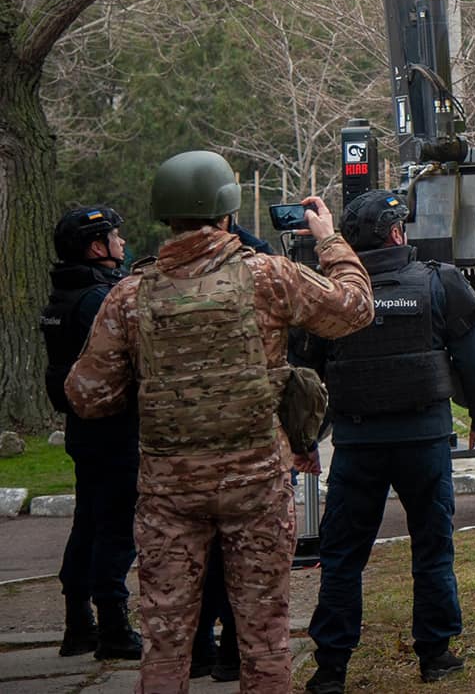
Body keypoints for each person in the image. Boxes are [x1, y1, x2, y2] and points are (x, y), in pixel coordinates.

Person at [65, 152, 374, 694]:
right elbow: (355, 308)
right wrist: (329, 239)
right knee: (264, 639)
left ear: (166, 216)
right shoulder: (269, 278)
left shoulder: (130, 295)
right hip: (255, 484)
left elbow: (86, 396)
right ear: (229, 212)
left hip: (168, 493)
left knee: (165, 644)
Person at [300, 189, 475, 692]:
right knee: (432, 549)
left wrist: (305, 439)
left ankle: (330, 671)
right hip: (424, 441)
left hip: (358, 446)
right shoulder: (439, 282)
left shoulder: (334, 293)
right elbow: (474, 360)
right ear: (395, 233)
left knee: (343, 557)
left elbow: (308, 375)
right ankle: (435, 656)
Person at [39, 205, 142, 662]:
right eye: (115, 237)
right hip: (115, 425)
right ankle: (114, 625)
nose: (122, 243)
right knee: (117, 526)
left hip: (83, 425)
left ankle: (78, 622)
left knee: (89, 520)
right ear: (97, 247)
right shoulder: (98, 298)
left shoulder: (64, 296)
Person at [190, 216, 278, 682]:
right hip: (242, 453)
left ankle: (201, 651)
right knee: (242, 567)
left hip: (181, 460)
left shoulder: (144, 287)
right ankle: (228, 654)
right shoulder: (256, 276)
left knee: (192, 565)